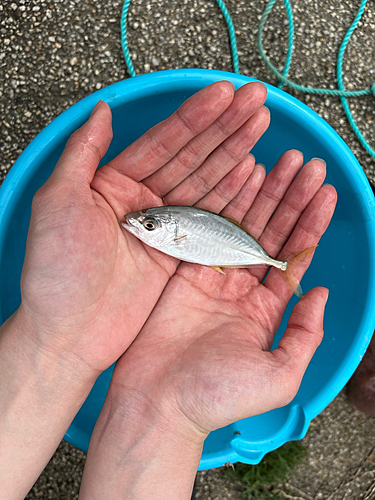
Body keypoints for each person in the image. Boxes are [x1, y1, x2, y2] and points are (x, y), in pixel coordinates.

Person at [0, 81, 337, 500]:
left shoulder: (174, 231)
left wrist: (51, 343)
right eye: (149, 224)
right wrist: (166, 417)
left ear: (165, 230)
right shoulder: (160, 229)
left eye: (150, 225)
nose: (142, 226)